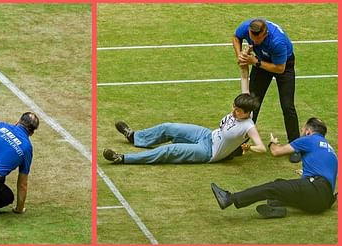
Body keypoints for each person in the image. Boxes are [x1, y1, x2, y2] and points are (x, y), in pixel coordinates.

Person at [211, 117, 337, 218]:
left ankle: (230, 198)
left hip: (316, 189)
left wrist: (272, 143)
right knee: (280, 185)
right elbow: (326, 172)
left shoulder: (309, 140)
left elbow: (276, 152)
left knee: (273, 188)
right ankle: (278, 209)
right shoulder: (330, 149)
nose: (302, 133)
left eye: (302, 130)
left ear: (308, 132)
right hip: (323, 202)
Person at [103, 94, 266, 164]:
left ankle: (123, 158)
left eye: (237, 110)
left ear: (247, 113)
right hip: (207, 134)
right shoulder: (243, 103)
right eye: (233, 107)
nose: (233, 111)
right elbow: (244, 76)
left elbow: (262, 148)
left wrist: (249, 147)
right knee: (169, 127)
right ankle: (135, 137)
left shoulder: (249, 126)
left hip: (209, 152)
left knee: (168, 150)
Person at [232, 18, 301, 163]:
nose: (254, 42)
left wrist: (255, 61)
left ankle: (295, 146)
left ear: (265, 34)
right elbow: (236, 37)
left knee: (287, 105)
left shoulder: (277, 42)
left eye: (258, 40)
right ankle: (239, 143)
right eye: (252, 39)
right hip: (261, 62)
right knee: (250, 103)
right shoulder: (247, 27)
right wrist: (239, 54)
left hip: (283, 65)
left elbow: (280, 68)